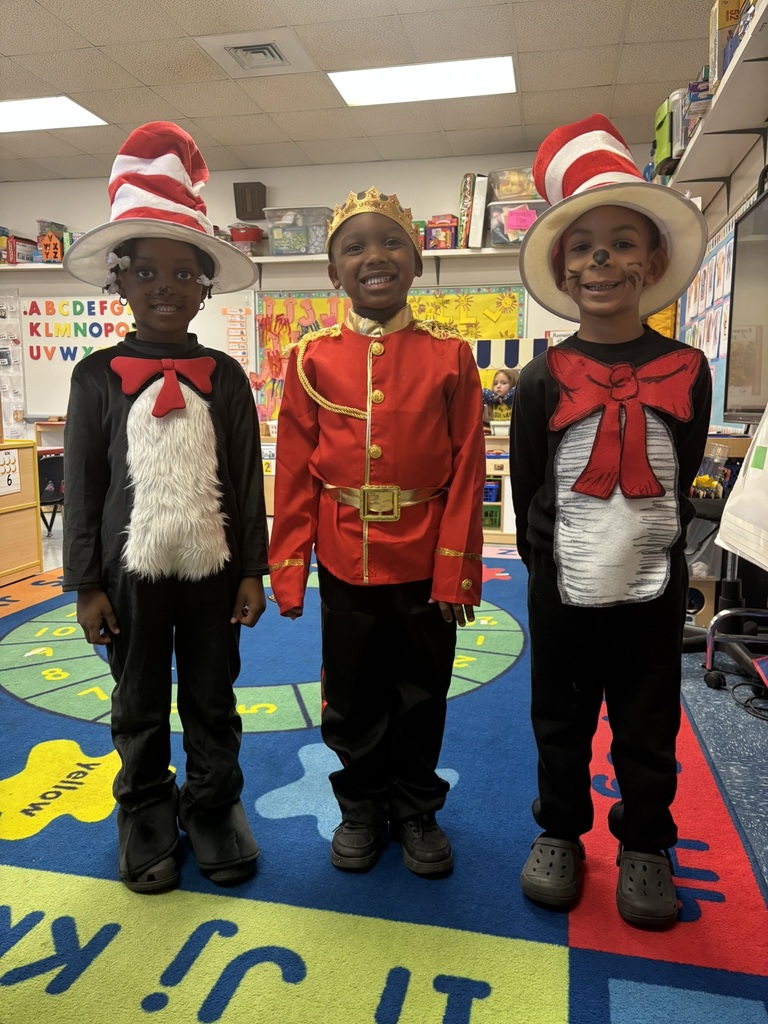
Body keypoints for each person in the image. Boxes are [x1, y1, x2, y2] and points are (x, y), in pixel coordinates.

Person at [511, 114, 712, 929]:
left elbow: (684, 468)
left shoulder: (688, 370)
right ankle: (561, 829)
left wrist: (652, 556)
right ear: (562, 270)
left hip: (652, 587)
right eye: (583, 246)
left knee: (647, 722)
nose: (603, 259)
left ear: (654, 260)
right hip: (563, 586)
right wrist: (547, 572)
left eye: (623, 242)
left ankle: (645, 840)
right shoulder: (539, 378)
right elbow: (530, 490)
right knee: (559, 718)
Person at [62, 122, 268, 894]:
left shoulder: (226, 375)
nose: (164, 287)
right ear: (118, 279)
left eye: (184, 274)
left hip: (214, 574)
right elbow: (80, 491)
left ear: (204, 286)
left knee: (213, 697)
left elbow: (247, 481)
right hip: (128, 577)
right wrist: (86, 584)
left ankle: (213, 805)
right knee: (139, 698)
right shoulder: (96, 376)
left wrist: (254, 569)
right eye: (144, 271)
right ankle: (145, 809)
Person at [268, 186, 486, 877]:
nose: (375, 257)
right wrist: (289, 568)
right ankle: (362, 803)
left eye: (391, 241)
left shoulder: (451, 359)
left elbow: (468, 470)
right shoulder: (309, 358)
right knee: (354, 696)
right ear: (334, 273)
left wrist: (457, 570)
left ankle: (416, 808)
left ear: (417, 261)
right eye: (354, 247)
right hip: (345, 558)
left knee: (422, 692)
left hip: (426, 560)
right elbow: (296, 470)